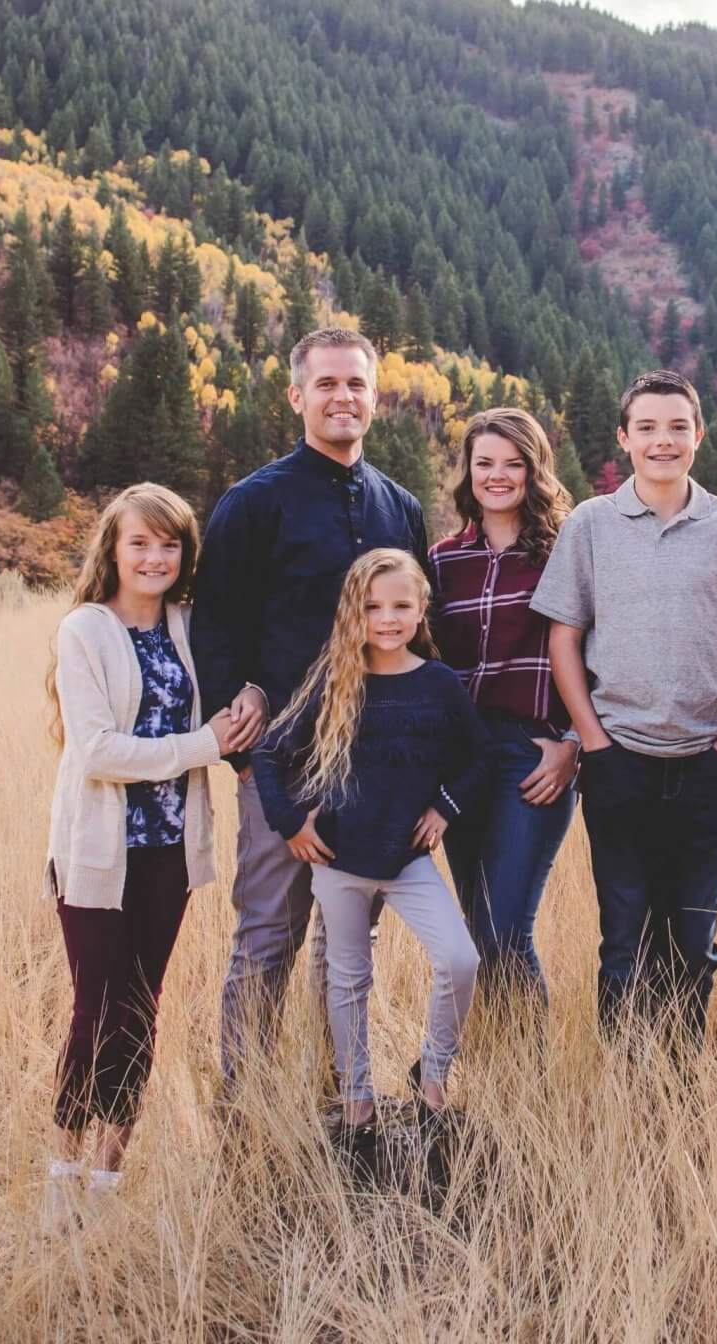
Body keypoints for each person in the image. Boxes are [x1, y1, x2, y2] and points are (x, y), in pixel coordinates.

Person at [189, 327, 428, 1087]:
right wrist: (244, 744)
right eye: (325, 384)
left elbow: (422, 638)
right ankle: (247, 1118)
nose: (342, 397)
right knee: (268, 938)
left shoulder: (401, 508)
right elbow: (216, 630)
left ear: (375, 397)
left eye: (355, 384)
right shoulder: (253, 503)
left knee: (349, 944)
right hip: (284, 768)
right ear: (297, 396)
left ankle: (340, 1102)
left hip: (377, 765)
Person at [533, 372, 717, 1044]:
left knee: (692, 942)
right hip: (619, 764)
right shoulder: (590, 524)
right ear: (624, 437)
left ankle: (680, 1081)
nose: (662, 441)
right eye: (647, 428)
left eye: (676, 427)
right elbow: (563, 637)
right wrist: (594, 741)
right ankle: (623, 1089)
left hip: (706, 763)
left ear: (697, 434)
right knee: (624, 942)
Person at [42, 483, 246, 1229]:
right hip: (99, 854)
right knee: (95, 1013)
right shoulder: (86, 631)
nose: (155, 557)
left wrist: (246, 703)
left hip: (168, 854)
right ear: (114, 549)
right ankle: (61, 1174)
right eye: (141, 543)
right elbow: (96, 751)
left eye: (169, 544)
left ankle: (107, 1181)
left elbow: (231, 695)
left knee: (140, 1010)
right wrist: (205, 744)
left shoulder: (190, 628)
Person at [251, 550, 489, 1170]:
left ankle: (432, 1078)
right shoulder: (334, 680)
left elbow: (478, 756)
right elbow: (271, 755)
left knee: (460, 959)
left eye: (401, 606)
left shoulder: (437, 682)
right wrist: (290, 824)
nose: (387, 619)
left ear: (421, 610)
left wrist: (445, 807)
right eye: (373, 607)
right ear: (353, 612)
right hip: (339, 861)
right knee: (349, 980)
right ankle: (358, 1103)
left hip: (407, 860)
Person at [429, 407, 578, 1005]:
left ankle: (535, 1087)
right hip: (462, 761)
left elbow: (598, 654)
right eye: (484, 463)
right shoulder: (442, 560)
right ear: (467, 472)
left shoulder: (567, 552)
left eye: (513, 464)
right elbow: (427, 664)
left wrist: (573, 745)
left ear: (534, 471)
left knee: (505, 930)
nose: (497, 476)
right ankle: (495, 1080)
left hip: (531, 753)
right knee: (477, 935)